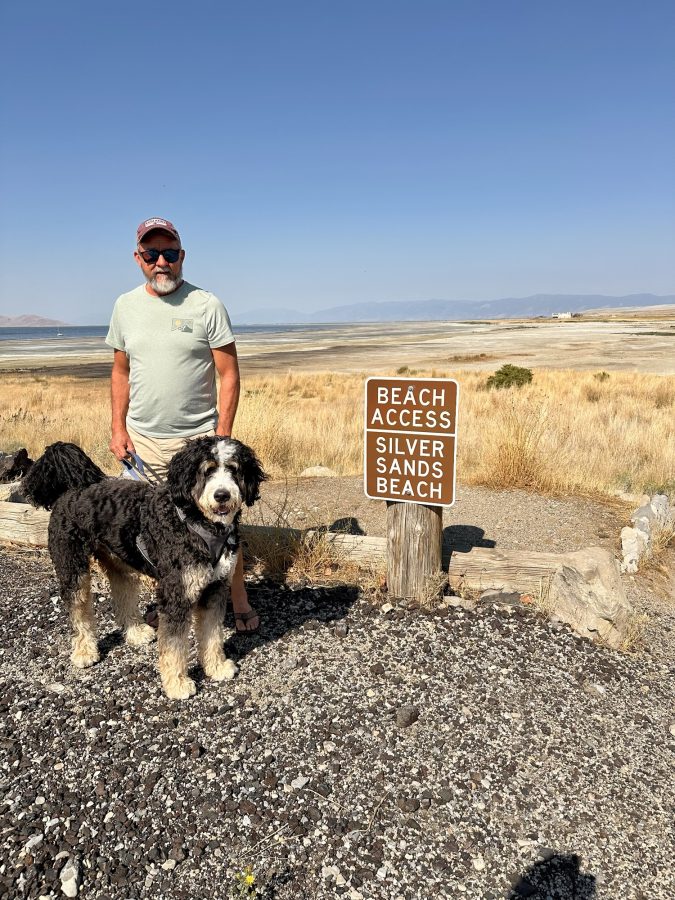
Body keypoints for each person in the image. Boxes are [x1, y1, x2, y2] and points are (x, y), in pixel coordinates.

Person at [105, 216, 259, 632]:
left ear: (182, 256)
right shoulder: (124, 307)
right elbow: (121, 372)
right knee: (153, 531)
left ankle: (238, 599)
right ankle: (171, 597)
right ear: (138, 258)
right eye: (151, 254)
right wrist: (118, 429)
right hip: (143, 443)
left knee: (222, 525)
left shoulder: (206, 305)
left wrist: (221, 437)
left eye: (169, 253)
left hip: (199, 444)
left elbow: (229, 373)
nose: (161, 262)